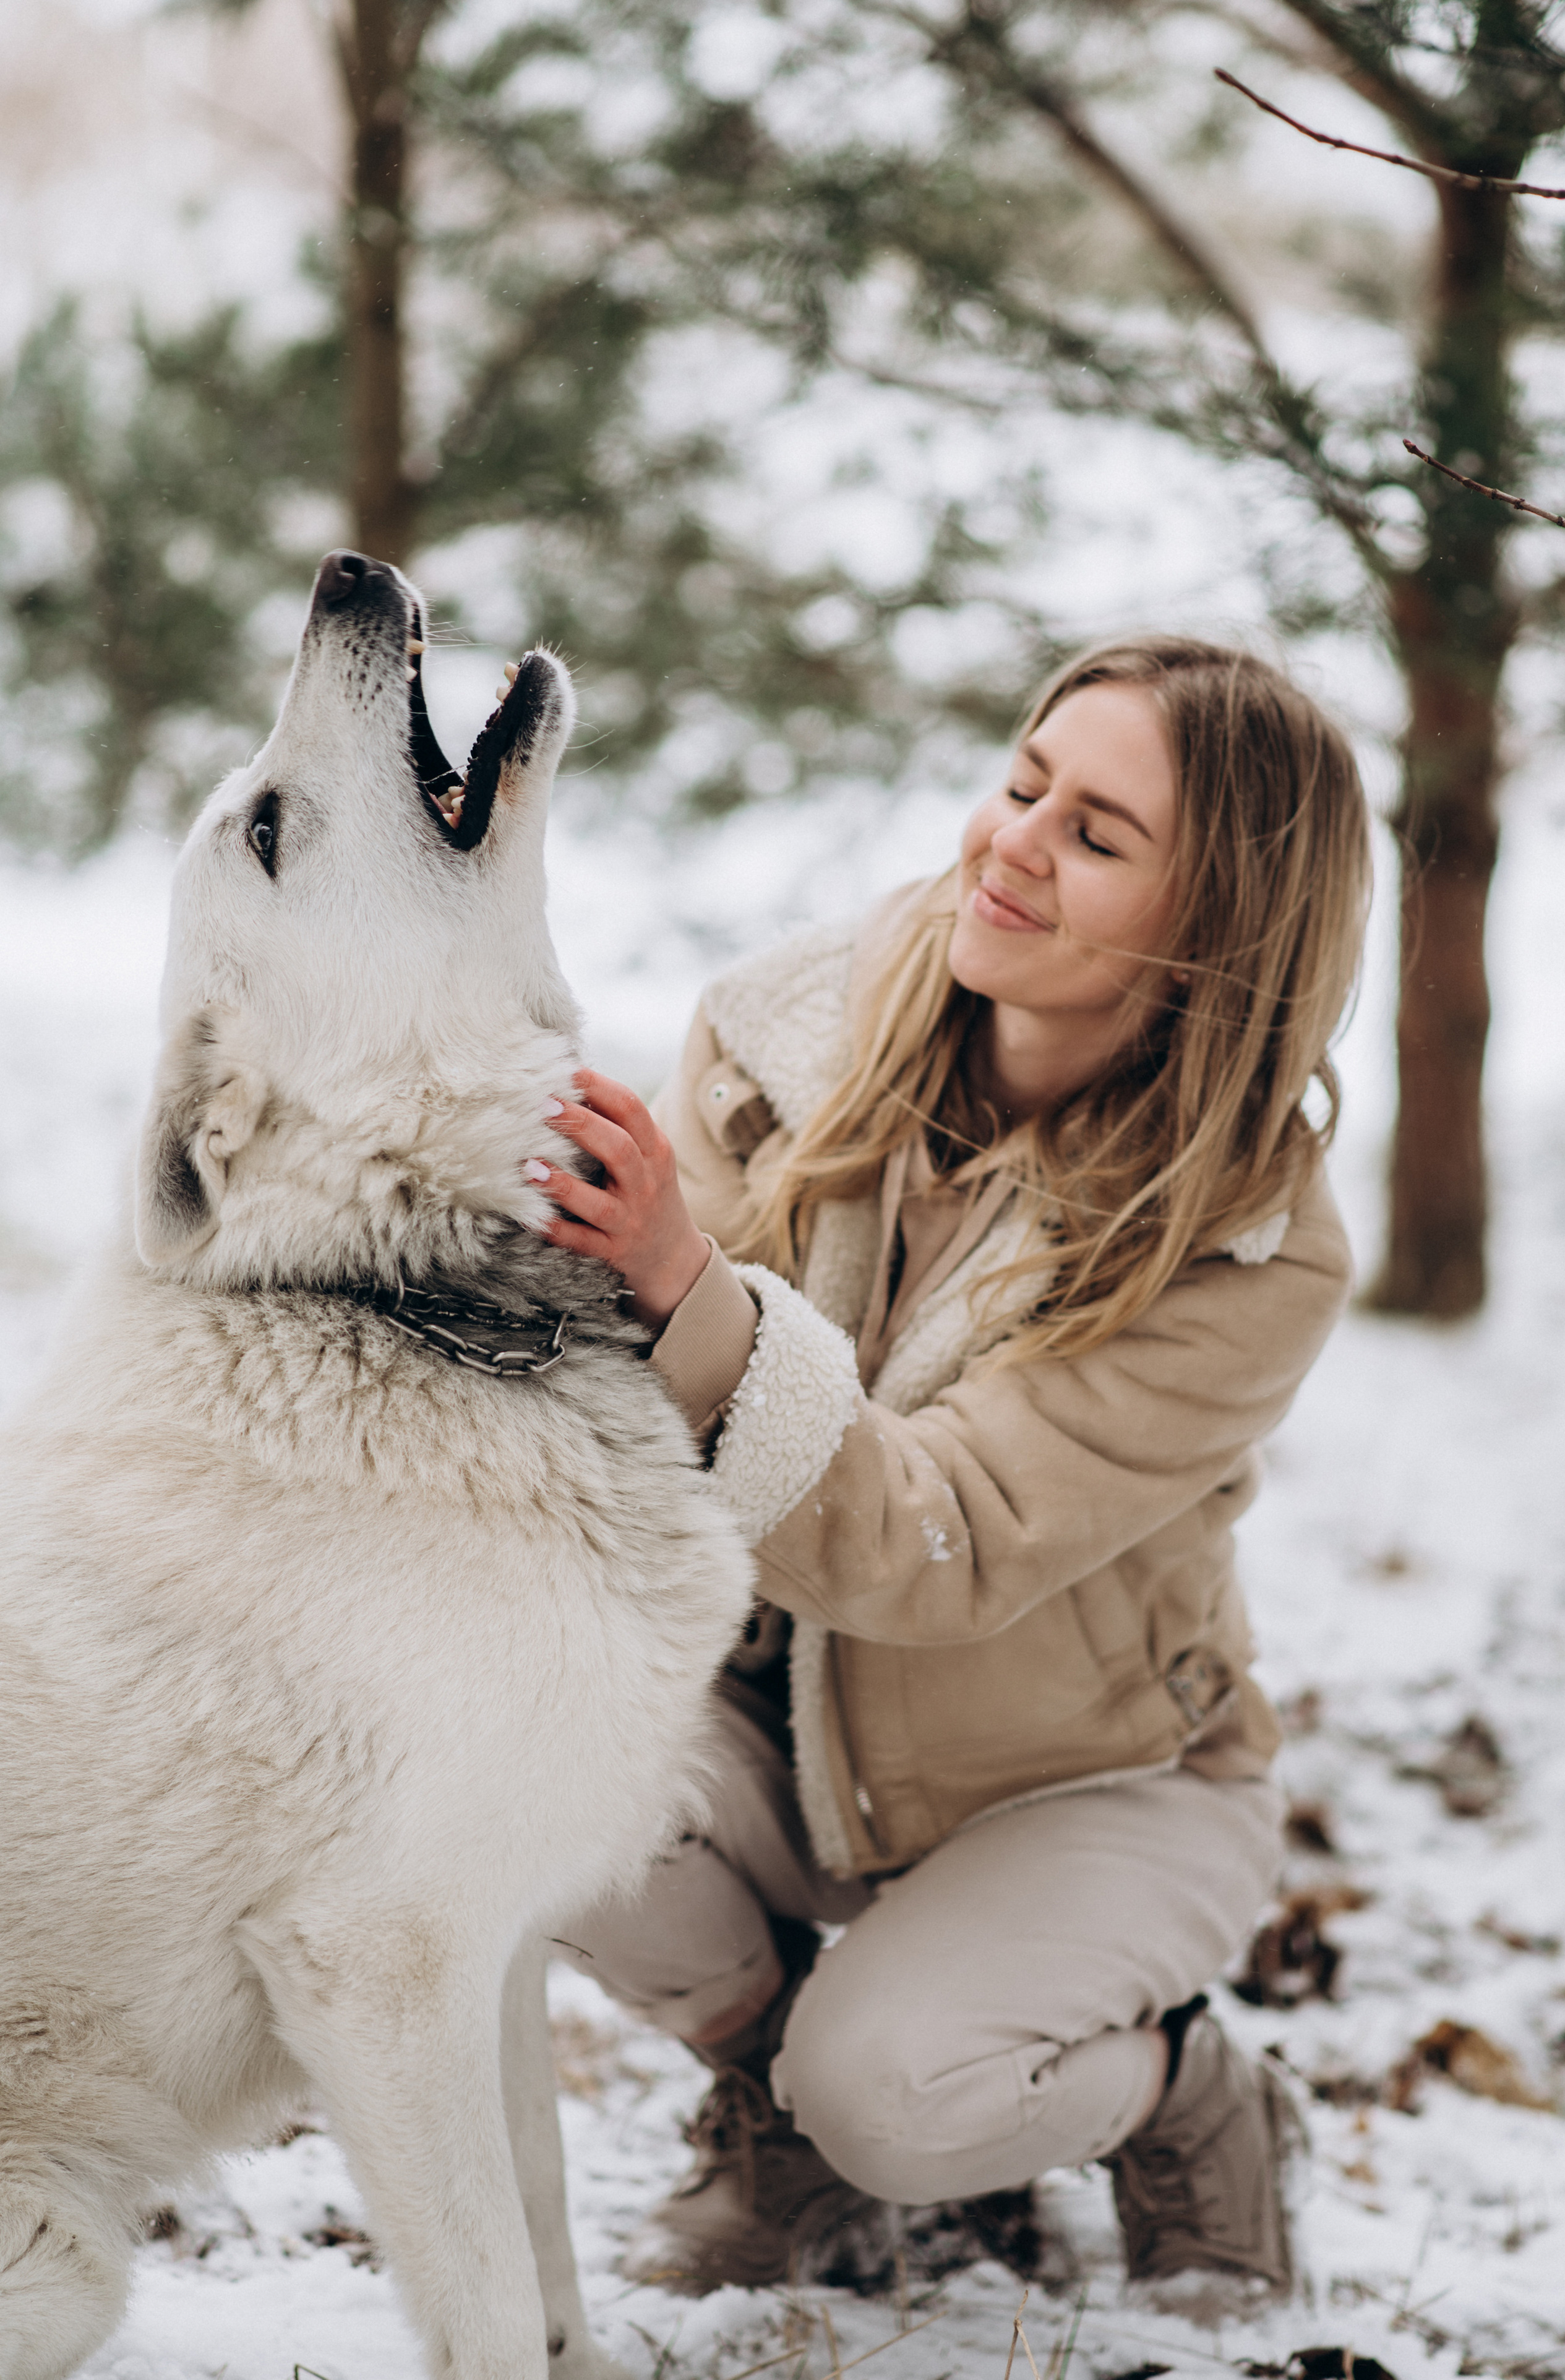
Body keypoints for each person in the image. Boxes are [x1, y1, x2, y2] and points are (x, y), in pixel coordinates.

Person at [525, 635, 1370, 2300]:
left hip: (1091, 1786)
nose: (1014, 842)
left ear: (1217, 932)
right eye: (1024, 781)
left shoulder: (1248, 1246)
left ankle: (1187, 2097)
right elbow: (630, 1405)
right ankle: (779, 2123)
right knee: (518, 1748)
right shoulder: (783, 1040)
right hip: (781, 1719)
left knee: (894, 2096)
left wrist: (687, 1293)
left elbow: (943, 1541)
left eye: (1099, 836)